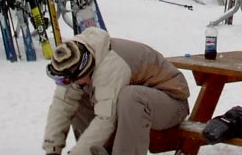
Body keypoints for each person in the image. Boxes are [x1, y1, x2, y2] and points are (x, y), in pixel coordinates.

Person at [43, 27, 190, 155]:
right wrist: (52, 149)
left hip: (172, 104)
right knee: (76, 96)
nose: (64, 84)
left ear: (84, 71)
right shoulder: (74, 57)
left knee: (130, 97)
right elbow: (62, 104)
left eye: (68, 80)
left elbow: (105, 119)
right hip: (133, 109)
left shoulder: (111, 66)